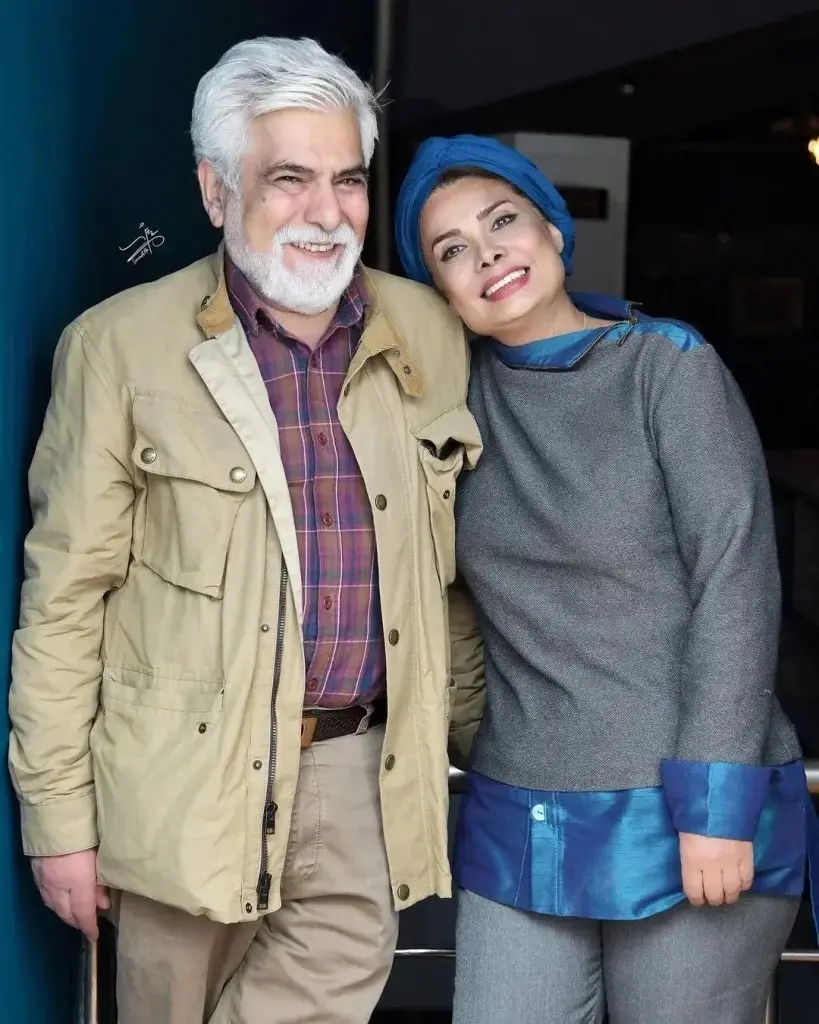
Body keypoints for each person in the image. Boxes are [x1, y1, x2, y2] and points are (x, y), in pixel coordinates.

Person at [7, 41, 484, 1024]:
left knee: (332, 982)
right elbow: (65, 601)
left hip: (361, 765)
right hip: (180, 776)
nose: (327, 212)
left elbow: (453, 579)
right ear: (216, 191)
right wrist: (58, 819)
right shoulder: (117, 346)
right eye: (288, 178)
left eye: (347, 179)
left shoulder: (430, 329)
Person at [394, 134, 818, 1024]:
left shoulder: (666, 366)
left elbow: (735, 579)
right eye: (452, 250)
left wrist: (716, 803)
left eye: (503, 222)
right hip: (519, 804)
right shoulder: (447, 406)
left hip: (685, 802)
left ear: (552, 230)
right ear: (437, 292)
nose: (488, 255)